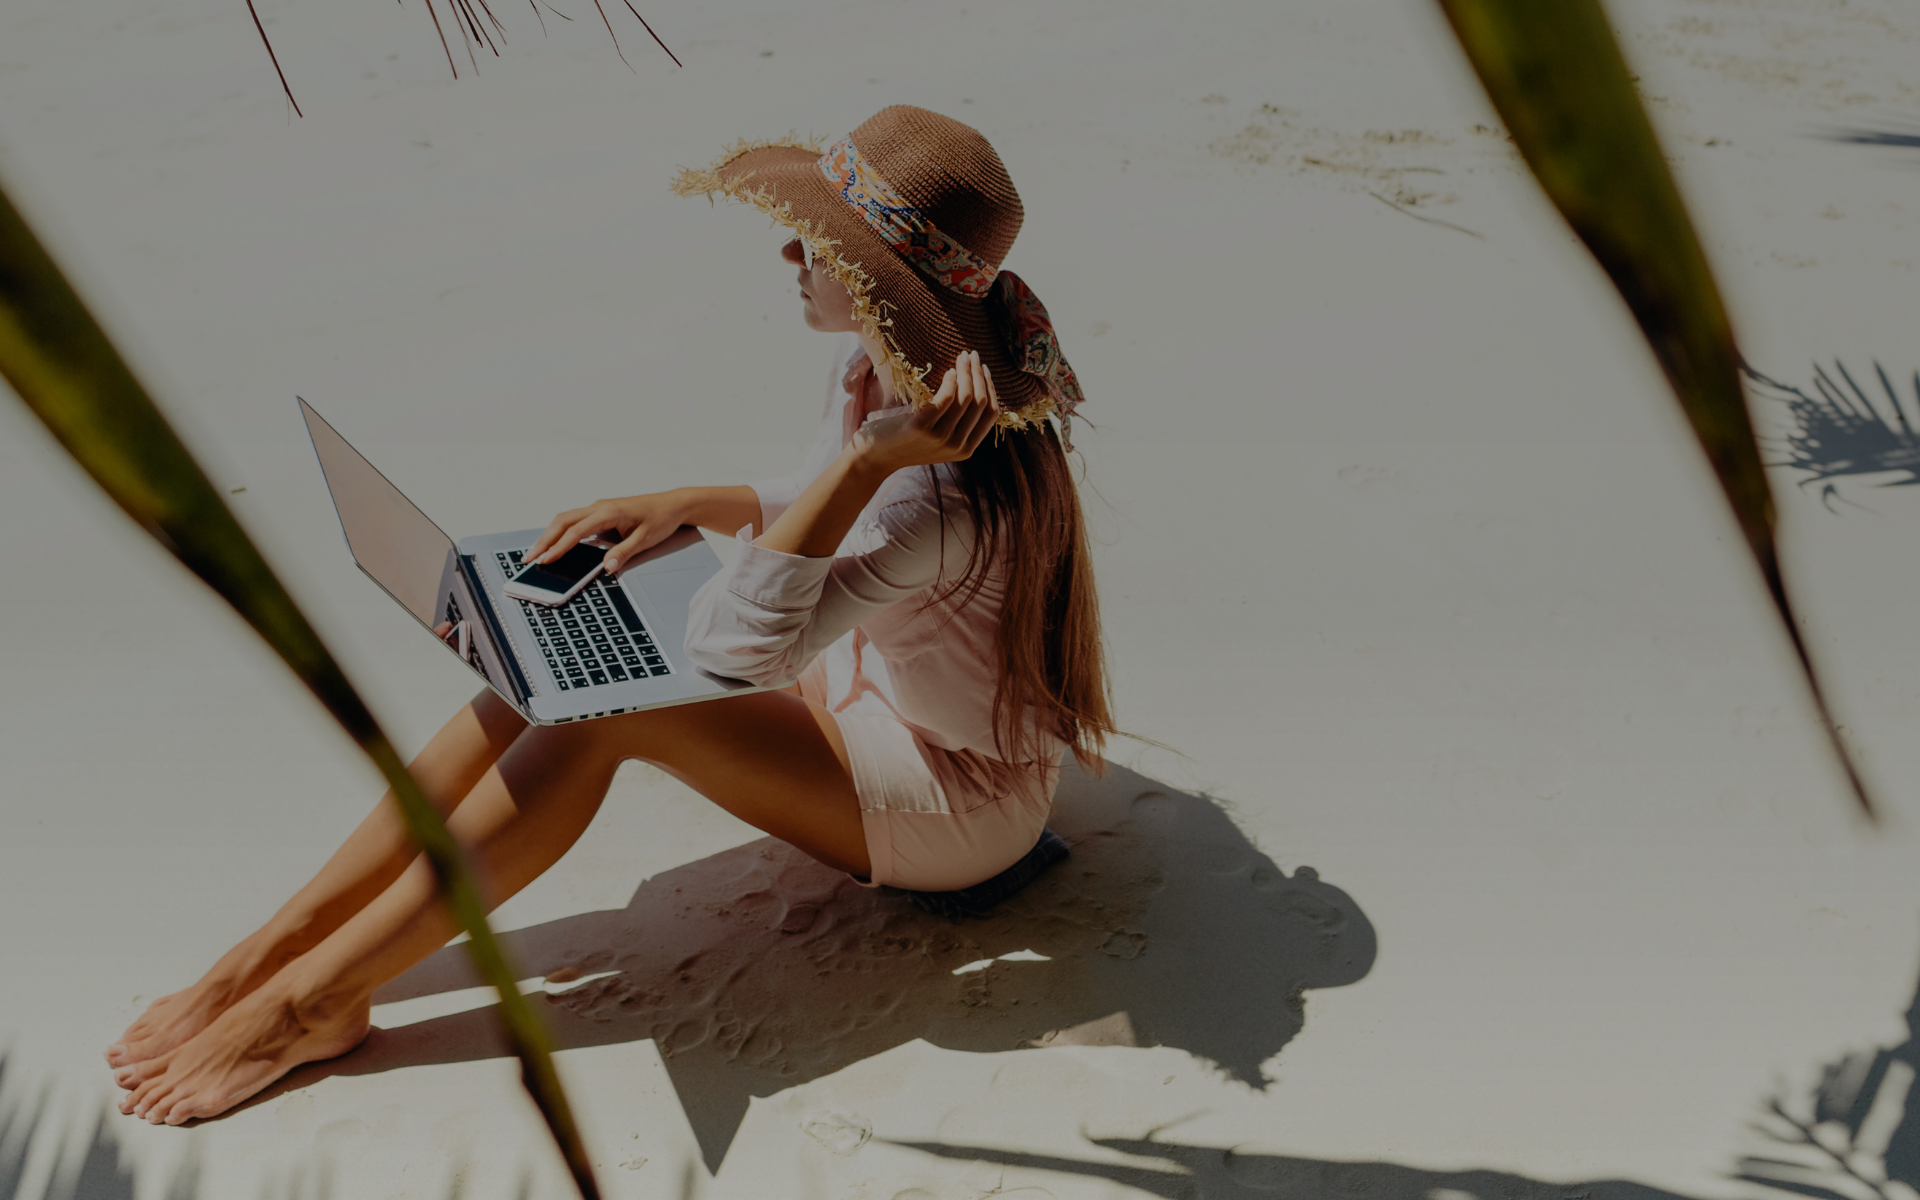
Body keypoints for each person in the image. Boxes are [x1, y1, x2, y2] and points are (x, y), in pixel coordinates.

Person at [106, 105, 1113, 1125]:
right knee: (538, 667)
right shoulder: (879, 380)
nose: (790, 249)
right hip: (862, 688)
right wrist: (691, 501)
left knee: (613, 707)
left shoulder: (941, 492)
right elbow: (809, 502)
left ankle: (310, 1003)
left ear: (876, 286)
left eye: (823, 242)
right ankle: (281, 945)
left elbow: (735, 648)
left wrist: (862, 466)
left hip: (959, 803)